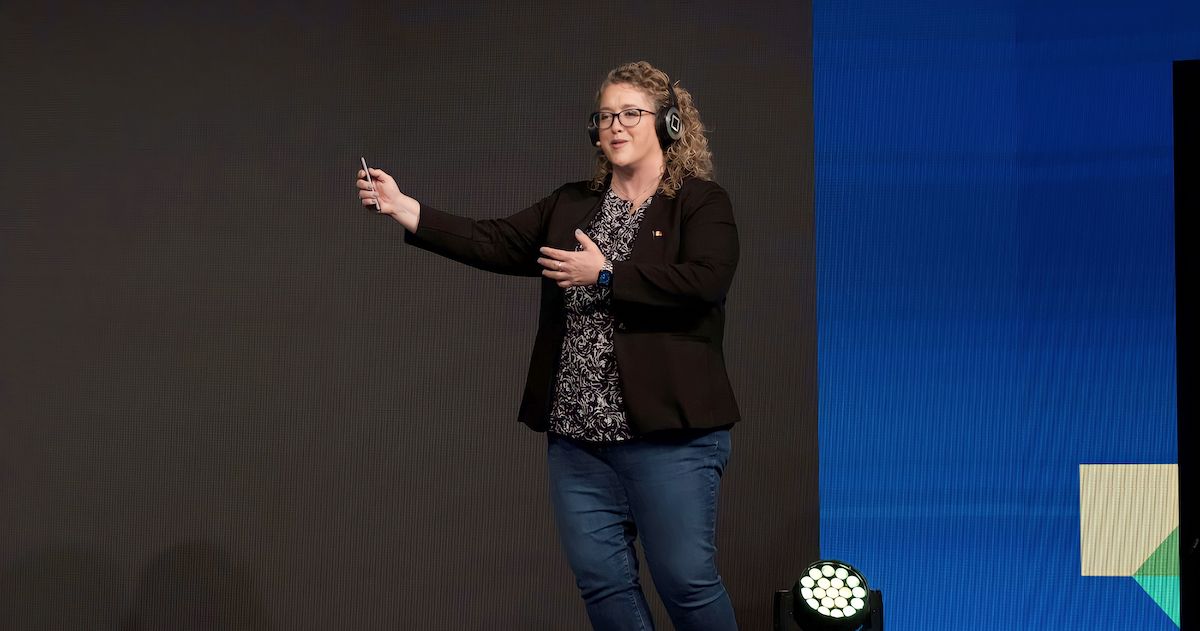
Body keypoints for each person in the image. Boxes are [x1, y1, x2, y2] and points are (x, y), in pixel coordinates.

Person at [355, 61, 740, 631]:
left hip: (669, 438)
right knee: (603, 583)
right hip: (578, 440)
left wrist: (607, 274)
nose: (615, 126)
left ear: (669, 124)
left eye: (630, 113)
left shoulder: (699, 202)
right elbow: (495, 241)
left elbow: (706, 281)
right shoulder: (572, 204)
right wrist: (404, 208)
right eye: (605, 116)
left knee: (685, 581)